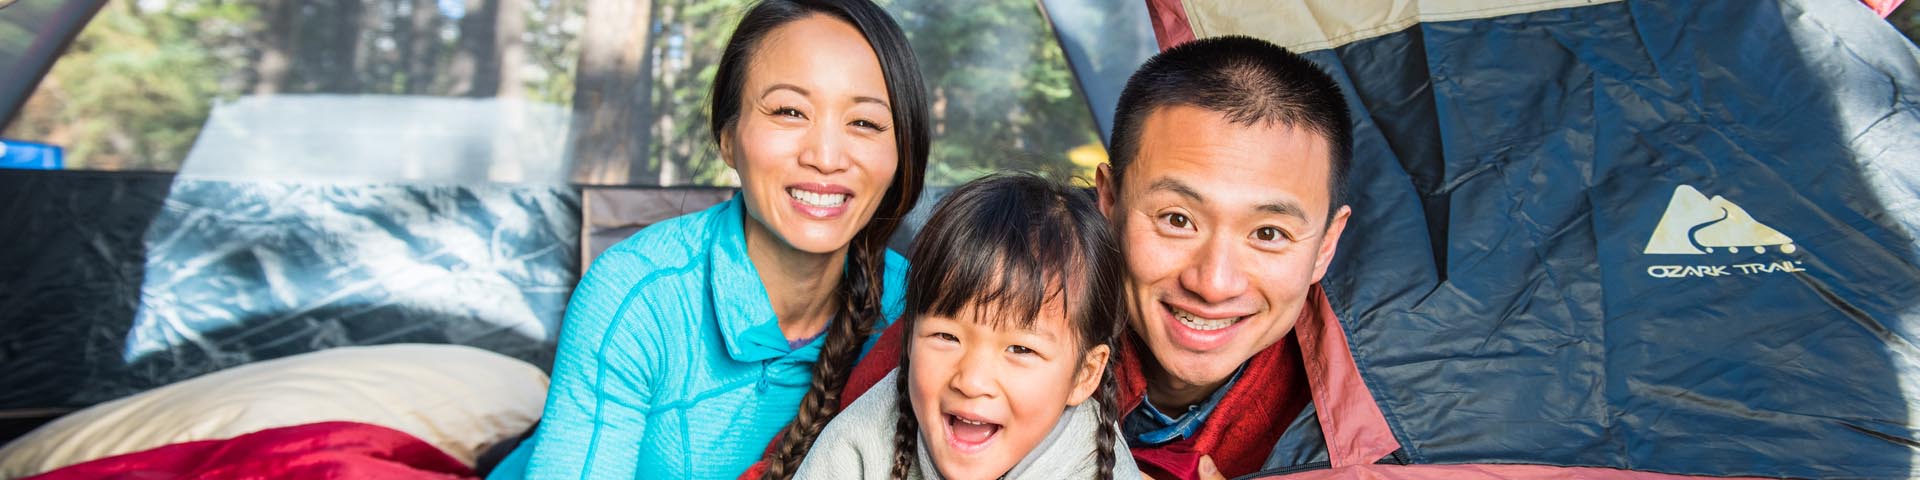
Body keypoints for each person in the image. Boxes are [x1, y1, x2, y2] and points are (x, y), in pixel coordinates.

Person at [829, 35, 1371, 480]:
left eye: (1269, 233)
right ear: (1109, 201)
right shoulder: (992, 304)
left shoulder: (1358, 408)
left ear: (1325, 244)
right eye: (1177, 219)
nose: (1214, 282)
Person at [487, 0, 930, 478]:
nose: (825, 156)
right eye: (789, 111)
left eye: (864, 122)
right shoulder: (636, 294)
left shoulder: (918, 307)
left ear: (901, 150)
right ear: (727, 137)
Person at [793, 174, 1143, 479]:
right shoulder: (862, 441)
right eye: (946, 336)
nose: (972, 381)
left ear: (1085, 373)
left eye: (1020, 349)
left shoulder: (1096, 464)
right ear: (910, 338)